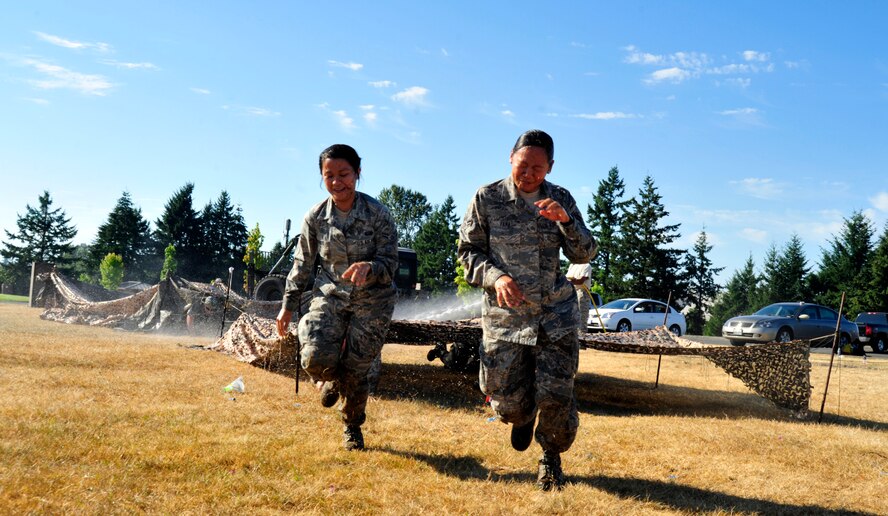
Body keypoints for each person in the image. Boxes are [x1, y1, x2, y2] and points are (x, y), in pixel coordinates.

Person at [458, 129, 596, 491]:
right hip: (507, 319)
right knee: (507, 403)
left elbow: (584, 253)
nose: (529, 173)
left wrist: (566, 222)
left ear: (550, 167)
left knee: (557, 395)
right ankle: (522, 417)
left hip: (555, 316)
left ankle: (550, 458)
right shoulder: (487, 198)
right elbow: (468, 253)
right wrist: (496, 277)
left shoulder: (560, 198)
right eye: (523, 165)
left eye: (538, 167)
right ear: (510, 158)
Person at [276, 144, 398, 451]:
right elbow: (303, 264)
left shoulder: (378, 214)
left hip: (373, 301)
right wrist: (288, 305)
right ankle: (330, 378)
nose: (336, 181)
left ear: (358, 173)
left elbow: (391, 263)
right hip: (331, 295)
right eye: (329, 175)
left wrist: (370, 267)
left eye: (344, 174)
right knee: (313, 356)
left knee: (358, 370)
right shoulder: (316, 217)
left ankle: (352, 426)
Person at [565, 262, 594, 336]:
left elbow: (580, 281)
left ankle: (582, 336)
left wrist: (570, 281)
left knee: (581, 316)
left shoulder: (586, 265)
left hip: (581, 292)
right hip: (571, 291)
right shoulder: (572, 265)